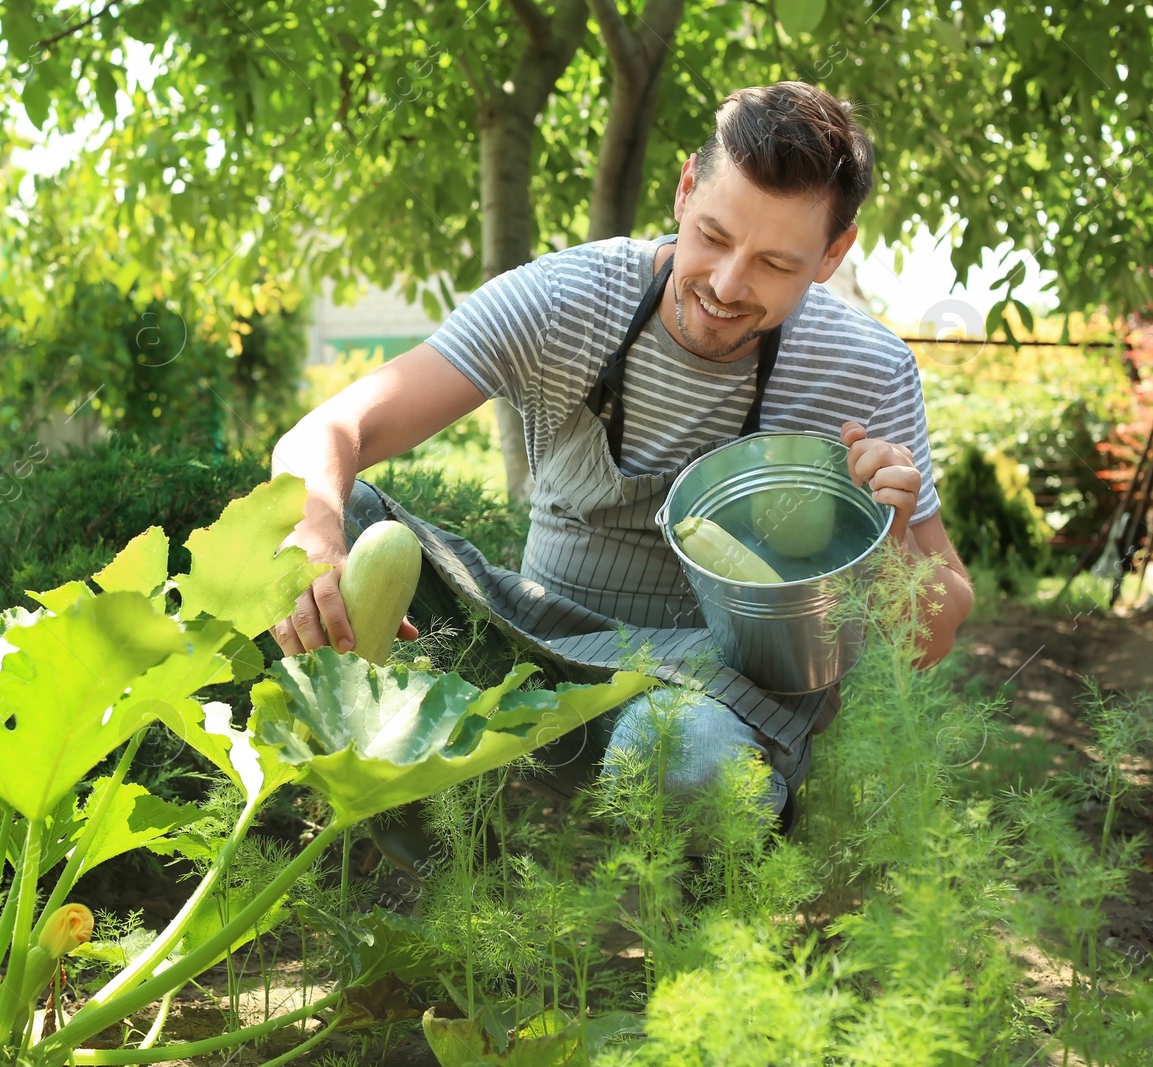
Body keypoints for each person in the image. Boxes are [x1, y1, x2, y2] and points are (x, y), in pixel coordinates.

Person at [268, 81, 973, 865]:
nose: (728, 284)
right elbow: (333, 428)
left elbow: (932, 636)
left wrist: (895, 530)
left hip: (707, 696)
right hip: (525, 655)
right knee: (335, 521)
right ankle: (444, 877)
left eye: (776, 263)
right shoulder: (568, 298)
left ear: (833, 255)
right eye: (713, 235)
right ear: (682, 190)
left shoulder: (866, 370)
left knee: (686, 755)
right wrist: (311, 528)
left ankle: (713, 922)